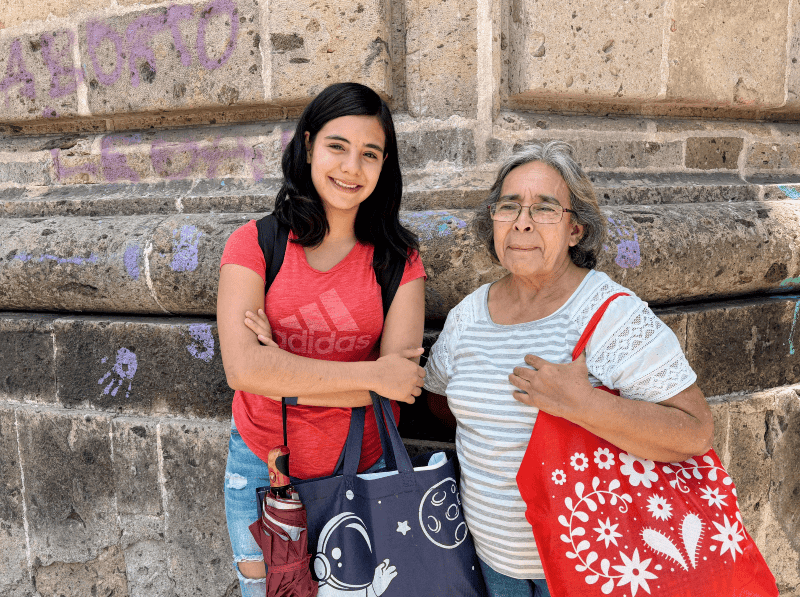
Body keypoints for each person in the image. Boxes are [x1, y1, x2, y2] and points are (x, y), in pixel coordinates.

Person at [423, 140, 714, 597]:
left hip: (590, 566)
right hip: (491, 565)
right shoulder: (466, 317)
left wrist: (582, 404)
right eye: (508, 206)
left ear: (576, 230)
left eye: (544, 208)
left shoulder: (610, 315)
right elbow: (441, 402)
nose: (521, 222)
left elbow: (694, 432)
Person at [217, 82, 427, 596]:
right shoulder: (254, 243)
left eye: (370, 154)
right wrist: (369, 374)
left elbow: (400, 384)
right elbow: (243, 371)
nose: (352, 168)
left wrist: (281, 367)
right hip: (264, 469)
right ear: (309, 145)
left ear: (384, 167)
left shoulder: (399, 259)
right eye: (338, 146)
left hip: (365, 472)